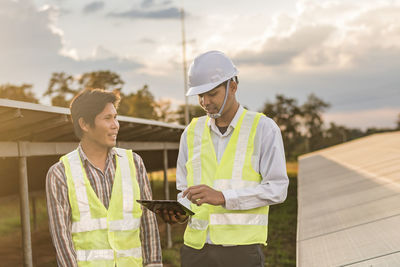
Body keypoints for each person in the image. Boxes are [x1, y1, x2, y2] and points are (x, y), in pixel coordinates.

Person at [161, 50, 289, 267]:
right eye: (200, 95)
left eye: (212, 93)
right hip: (196, 252)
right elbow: (183, 189)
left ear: (233, 87)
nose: (205, 101)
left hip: (241, 253)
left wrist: (224, 197)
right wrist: (180, 211)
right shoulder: (191, 133)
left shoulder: (263, 129)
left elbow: (278, 188)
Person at [46, 89, 163, 267]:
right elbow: (62, 240)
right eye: (107, 118)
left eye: (115, 117)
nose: (115, 125)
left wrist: (154, 264)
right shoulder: (60, 174)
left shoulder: (134, 163)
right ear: (84, 124)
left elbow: (148, 223)